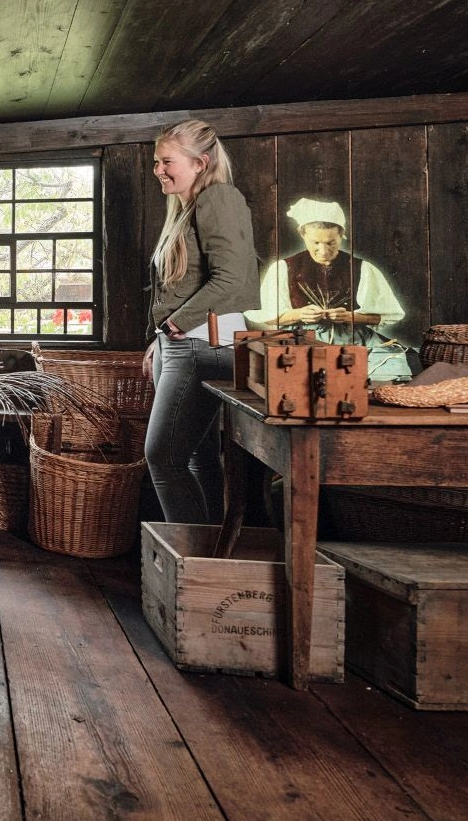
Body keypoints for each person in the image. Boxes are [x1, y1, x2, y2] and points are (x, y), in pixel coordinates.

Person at [142, 120, 259, 526]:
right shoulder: (186, 206)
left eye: (166, 161)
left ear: (200, 161)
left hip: (201, 347)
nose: (158, 169)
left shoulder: (219, 198)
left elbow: (232, 278)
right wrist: (161, 338)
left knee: (162, 458)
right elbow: (181, 286)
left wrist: (177, 325)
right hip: (182, 344)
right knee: (197, 457)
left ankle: (191, 562)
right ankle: (210, 559)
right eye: (157, 162)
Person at [245, 199, 410, 381]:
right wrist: (299, 314)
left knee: (392, 366)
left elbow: (383, 317)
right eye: (315, 242)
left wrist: (348, 316)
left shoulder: (363, 268)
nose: (323, 251)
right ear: (303, 235)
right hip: (302, 338)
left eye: (331, 243)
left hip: (352, 338)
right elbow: (267, 317)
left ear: (342, 235)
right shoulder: (282, 268)